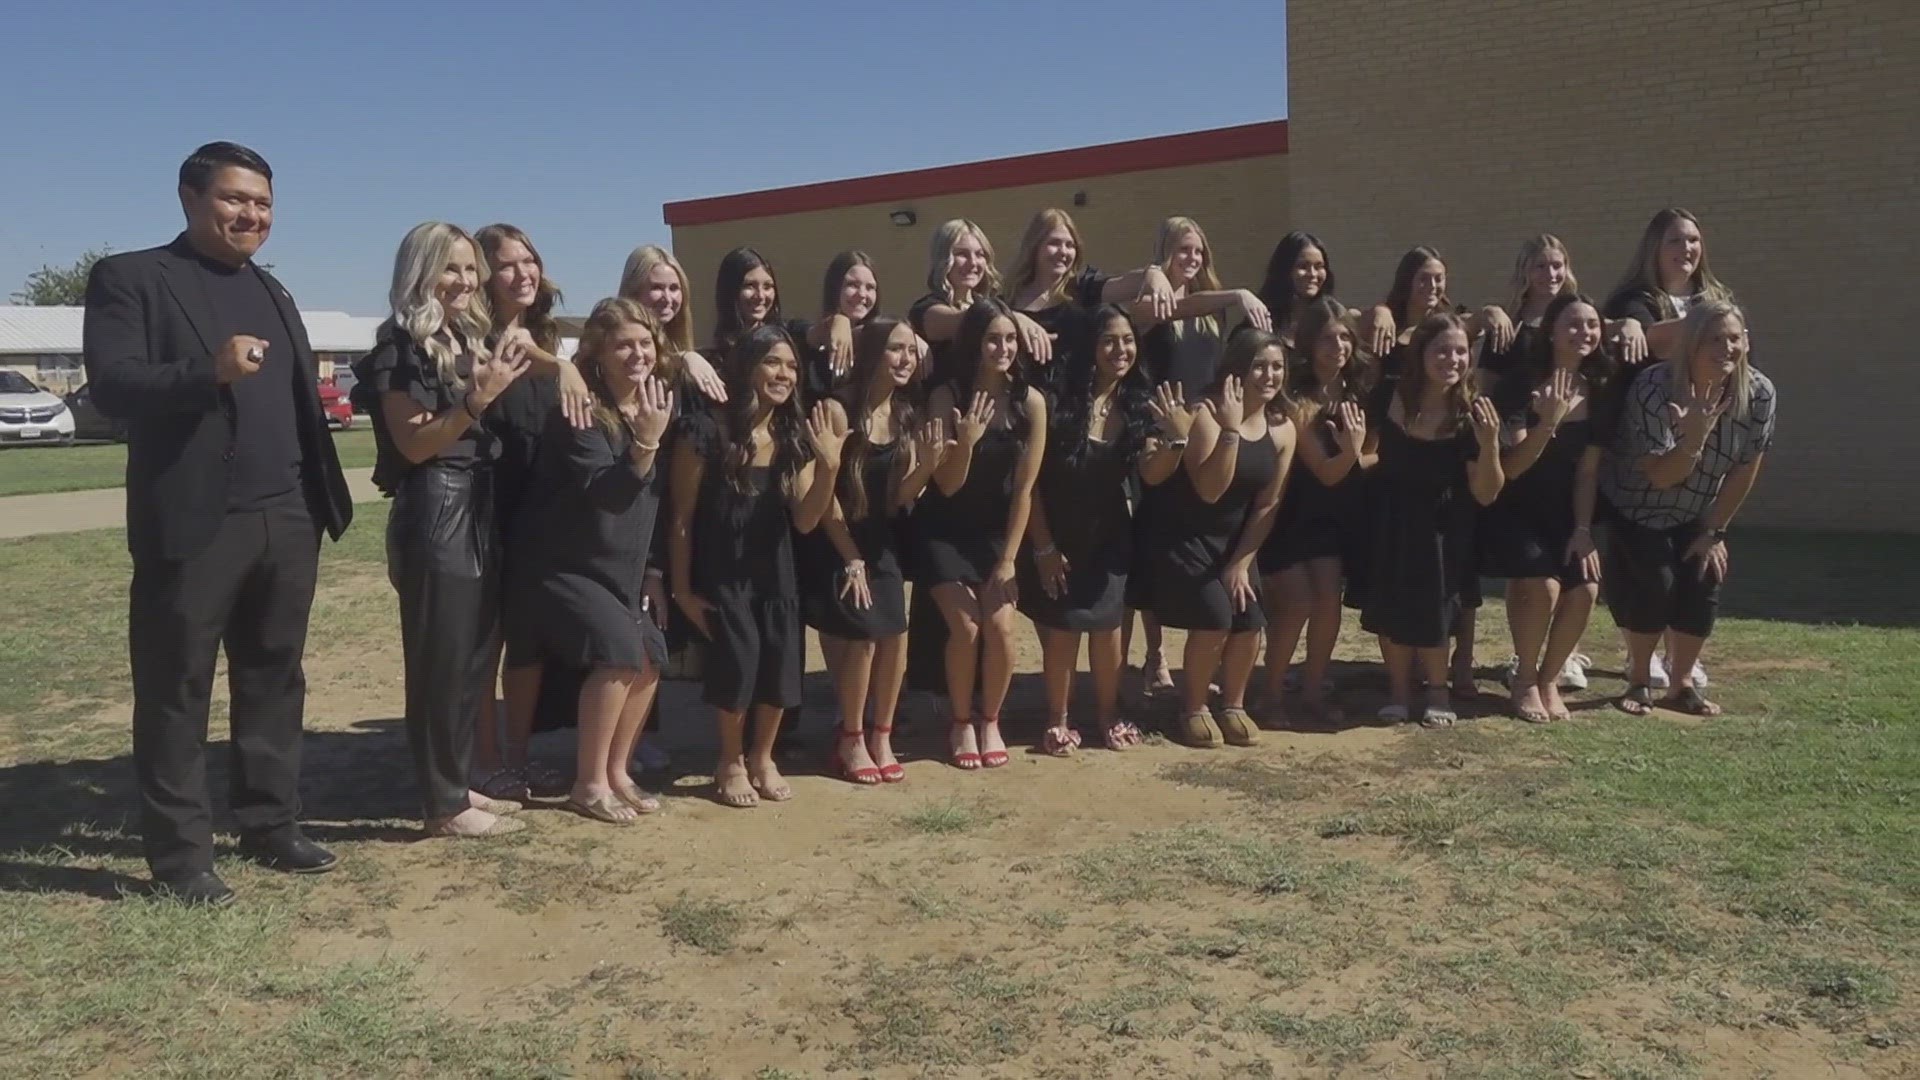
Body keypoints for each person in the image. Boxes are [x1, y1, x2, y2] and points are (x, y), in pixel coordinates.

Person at [81, 141, 353, 904]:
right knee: (177, 689)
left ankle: (271, 824)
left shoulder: (274, 290)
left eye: (263, 204)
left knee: (274, 675)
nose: (252, 215)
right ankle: (181, 859)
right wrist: (209, 371)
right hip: (197, 524)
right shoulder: (133, 278)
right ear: (190, 197)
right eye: (236, 199)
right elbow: (112, 386)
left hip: (285, 515)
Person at [356, 221, 531, 839]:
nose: (463, 281)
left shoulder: (464, 336)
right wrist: (474, 405)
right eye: (449, 268)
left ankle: (458, 786)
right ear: (420, 274)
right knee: (440, 664)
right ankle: (441, 806)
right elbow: (414, 444)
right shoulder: (399, 345)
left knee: (471, 662)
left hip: (477, 506)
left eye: (468, 269)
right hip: (436, 509)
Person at [505, 298, 675, 822]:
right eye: (623, 344)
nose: (637, 354)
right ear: (597, 354)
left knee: (651, 656)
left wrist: (652, 572)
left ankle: (618, 771)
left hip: (620, 570)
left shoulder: (651, 405)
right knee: (619, 653)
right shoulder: (581, 412)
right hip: (562, 566)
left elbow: (650, 507)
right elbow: (611, 494)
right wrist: (646, 442)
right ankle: (590, 783)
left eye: (645, 343)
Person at [668, 324, 845, 807]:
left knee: (780, 665)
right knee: (739, 665)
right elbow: (681, 517)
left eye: (791, 365)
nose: (783, 373)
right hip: (722, 571)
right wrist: (682, 591)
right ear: (748, 366)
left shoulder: (793, 433)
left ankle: (763, 758)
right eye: (773, 362)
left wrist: (829, 465)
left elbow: (808, 520)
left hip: (776, 569)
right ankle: (729, 760)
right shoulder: (706, 429)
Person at [1600, 300, 1772, 718]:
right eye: (1714, 339)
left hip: (1698, 504)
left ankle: (1682, 685)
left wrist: (1715, 531)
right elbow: (1660, 476)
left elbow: (1748, 464)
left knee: (1703, 575)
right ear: (1690, 345)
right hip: (1636, 503)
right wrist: (1694, 439)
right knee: (1655, 583)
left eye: (1734, 339)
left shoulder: (1759, 392)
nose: (1727, 348)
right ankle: (1639, 680)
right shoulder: (1654, 388)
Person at [467, 223, 590, 802]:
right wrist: (559, 364)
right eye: (508, 264)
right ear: (484, 276)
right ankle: (483, 759)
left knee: (528, 642)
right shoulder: (474, 334)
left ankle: (517, 757)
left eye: (530, 261)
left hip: (540, 514)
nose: (524, 273)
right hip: (486, 508)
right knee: (485, 641)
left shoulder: (545, 335)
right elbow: (508, 354)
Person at [1127, 215, 1273, 695]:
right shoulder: (1154, 302)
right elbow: (1166, 311)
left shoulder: (1214, 311)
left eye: (1197, 252)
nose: (1190, 259)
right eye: (1180, 250)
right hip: (1164, 426)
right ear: (1162, 252)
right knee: (1154, 539)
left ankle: (1202, 656)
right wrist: (1236, 293)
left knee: (1202, 534)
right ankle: (1155, 657)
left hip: (1208, 429)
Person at [801, 318, 945, 783]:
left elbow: (899, 497)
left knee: (895, 635)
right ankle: (851, 738)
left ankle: (881, 734)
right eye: (895, 350)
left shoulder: (905, 413)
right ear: (873, 354)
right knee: (863, 638)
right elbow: (827, 497)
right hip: (836, 539)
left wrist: (927, 466)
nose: (905, 359)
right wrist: (850, 557)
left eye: (911, 351)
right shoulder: (838, 409)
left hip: (880, 541)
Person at [1602, 208, 1738, 692]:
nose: (1687, 251)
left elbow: (1731, 347)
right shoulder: (1635, 300)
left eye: (1694, 241)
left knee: (1695, 562)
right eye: (1675, 242)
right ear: (1653, 250)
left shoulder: (1715, 298)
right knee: (1644, 564)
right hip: (1647, 443)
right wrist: (1649, 331)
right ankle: (1640, 655)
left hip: (1705, 441)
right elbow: (1649, 345)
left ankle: (1680, 659)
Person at [1142, 329, 1297, 748]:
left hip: (1236, 544)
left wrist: (1242, 562)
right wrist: (1231, 430)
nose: (1269, 375)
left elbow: (1269, 504)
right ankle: (1191, 707)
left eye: (1277, 366)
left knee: (1250, 618)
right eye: (1259, 366)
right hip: (1186, 538)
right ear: (1237, 370)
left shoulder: (1283, 428)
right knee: (1216, 616)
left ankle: (1233, 704)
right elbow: (1210, 489)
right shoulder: (1206, 415)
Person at [911, 298, 1048, 768]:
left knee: (1002, 626)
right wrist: (964, 444)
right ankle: (961, 721)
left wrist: (1010, 559)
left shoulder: (1030, 402)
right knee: (967, 628)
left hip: (997, 535)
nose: (1004, 348)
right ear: (975, 343)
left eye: (1011, 339)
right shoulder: (948, 396)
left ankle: (991, 720)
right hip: (945, 532)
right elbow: (944, 485)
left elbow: (1025, 490)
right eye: (994, 338)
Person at [1020, 305, 1158, 753]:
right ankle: (1057, 719)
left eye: (1128, 340)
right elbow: (1031, 482)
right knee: (1063, 629)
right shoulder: (1056, 400)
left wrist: (1175, 438)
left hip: (1111, 532)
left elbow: (1153, 473)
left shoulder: (1139, 403)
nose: (1121, 350)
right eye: (1109, 341)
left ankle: (1107, 715)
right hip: (1057, 533)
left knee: (1108, 626)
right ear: (1091, 348)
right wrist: (1042, 547)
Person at [1359, 313, 1505, 728]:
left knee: (1437, 609)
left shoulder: (1474, 412)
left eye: (1461, 351)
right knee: (1391, 604)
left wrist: (1491, 444)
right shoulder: (1389, 395)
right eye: (1442, 350)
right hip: (1391, 516)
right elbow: (1367, 454)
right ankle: (1399, 691)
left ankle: (1438, 691)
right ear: (1420, 354)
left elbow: (1486, 492)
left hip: (1444, 525)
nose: (1453, 359)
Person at [1483, 293, 1611, 723]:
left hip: (1566, 513)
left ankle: (1549, 679)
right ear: (1551, 332)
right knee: (1544, 587)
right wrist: (1549, 423)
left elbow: (1588, 473)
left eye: (1592, 324)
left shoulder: (1599, 388)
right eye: (1574, 324)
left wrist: (1582, 529)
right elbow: (1513, 467)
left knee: (1587, 587)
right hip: (1515, 511)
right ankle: (1523, 679)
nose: (1585, 333)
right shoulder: (1520, 384)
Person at [1258, 298, 1374, 727]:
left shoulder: (1357, 390)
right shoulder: (1295, 396)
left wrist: (1359, 454)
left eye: (1345, 336)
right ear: (1309, 342)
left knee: (1329, 602)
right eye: (1328, 337)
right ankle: (1269, 695)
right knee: (1298, 602)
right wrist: (1358, 452)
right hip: (1289, 513)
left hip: (1332, 518)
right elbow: (1327, 470)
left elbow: (1366, 454)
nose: (1338, 346)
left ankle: (1312, 691)